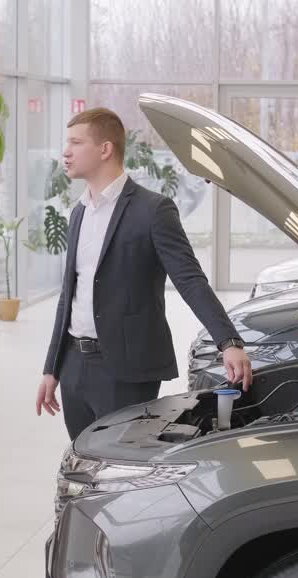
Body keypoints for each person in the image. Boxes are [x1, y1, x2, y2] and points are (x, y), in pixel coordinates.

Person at [35, 108, 253, 440]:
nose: (66, 152)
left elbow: (190, 280)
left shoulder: (153, 210)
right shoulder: (79, 212)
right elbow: (70, 295)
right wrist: (52, 368)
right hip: (74, 366)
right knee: (84, 458)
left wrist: (229, 342)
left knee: (122, 461)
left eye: (76, 143)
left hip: (126, 369)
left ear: (105, 149)